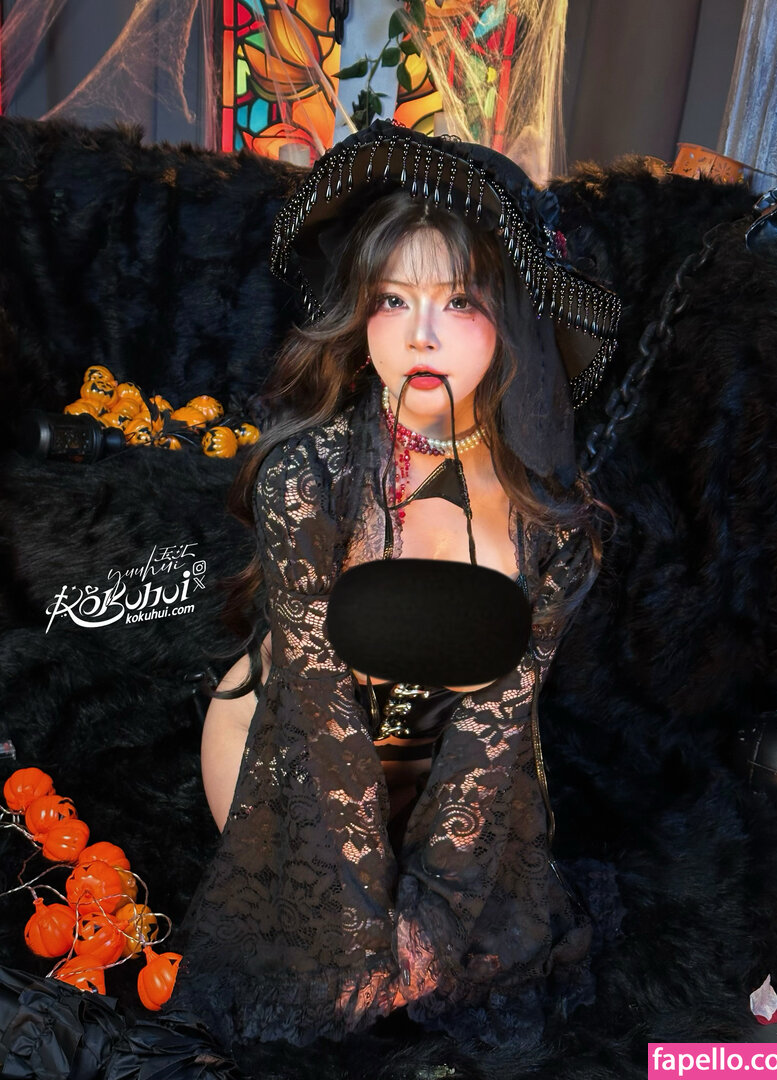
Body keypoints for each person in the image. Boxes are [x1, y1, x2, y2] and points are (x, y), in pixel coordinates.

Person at [169, 119, 623, 1064]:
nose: (420, 333)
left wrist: (430, 918)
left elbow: (496, 730)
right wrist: (359, 915)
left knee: (475, 969)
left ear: (510, 317)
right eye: (391, 299)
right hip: (288, 760)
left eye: (458, 300)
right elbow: (314, 705)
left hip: (455, 787)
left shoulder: (552, 523)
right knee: (313, 970)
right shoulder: (311, 478)